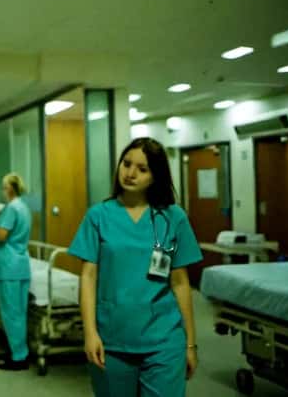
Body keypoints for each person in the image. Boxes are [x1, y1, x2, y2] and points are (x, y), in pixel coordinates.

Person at [68, 137, 202, 397]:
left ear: (156, 176)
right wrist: (90, 333)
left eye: (142, 169)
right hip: (112, 339)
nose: (130, 173)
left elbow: (180, 282)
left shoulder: (173, 218)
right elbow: (88, 276)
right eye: (126, 164)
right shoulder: (98, 216)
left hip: (164, 339)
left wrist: (190, 345)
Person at [0, 173, 32, 370]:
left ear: (10, 189)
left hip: (9, 266)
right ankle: (17, 350)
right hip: (21, 264)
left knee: (11, 313)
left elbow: (3, 235)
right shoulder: (24, 207)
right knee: (19, 312)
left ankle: (19, 357)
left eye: (4, 187)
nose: (3, 191)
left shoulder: (11, 208)